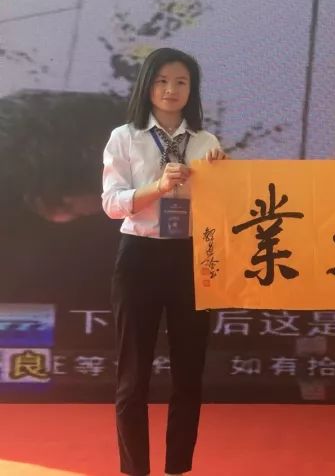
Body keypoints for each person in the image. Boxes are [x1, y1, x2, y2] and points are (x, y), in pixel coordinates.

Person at [102, 47, 227, 476]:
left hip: (192, 257)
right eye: (161, 81)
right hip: (139, 256)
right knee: (132, 377)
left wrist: (224, 179)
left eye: (181, 82)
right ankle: (134, 469)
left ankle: (178, 469)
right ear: (147, 86)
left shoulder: (207, 142)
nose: (171, 89)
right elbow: (111, 204)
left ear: (192, 89)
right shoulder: (125, 137)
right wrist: (157, 187)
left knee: (189, 374)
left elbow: (224, 209)